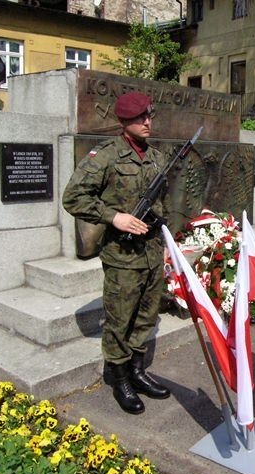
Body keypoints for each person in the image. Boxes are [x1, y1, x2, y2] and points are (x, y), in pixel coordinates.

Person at [63, 92, 171, 414]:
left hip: (151, 252)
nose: (147, 122)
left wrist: (165, 245)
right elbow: (73, 197)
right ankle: (120, 377)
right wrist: (114, 217)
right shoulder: (106, 156)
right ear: (125, 122)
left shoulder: (157, 157)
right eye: (140, 118)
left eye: (149, 116)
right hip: (122, 257)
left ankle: (138, 371)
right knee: (119, 319)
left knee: (146, 316)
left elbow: (161, 204)